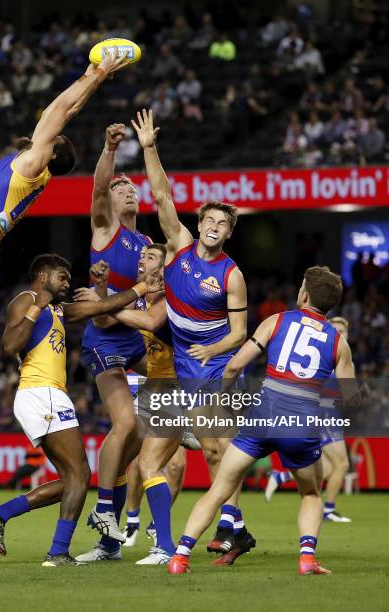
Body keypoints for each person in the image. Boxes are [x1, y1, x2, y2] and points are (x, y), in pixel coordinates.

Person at [0, 49, 128, 489]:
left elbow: (61, 109)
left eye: (49, 134)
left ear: (52, 148)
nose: (43, 126)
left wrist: (95, 74)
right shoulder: (30, 170)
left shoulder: (31, 164)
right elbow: (63, 108)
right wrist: (88, 78)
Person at [168, 266, 359, 575]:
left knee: (219, 490)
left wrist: (224, 399)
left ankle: (180, 557)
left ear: (304, 294)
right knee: (310, 493)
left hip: (263, 416)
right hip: (302, 424)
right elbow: (350, 400)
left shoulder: (277, 321)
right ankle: (307, 558)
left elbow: (233, 367)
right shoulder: (340, 343)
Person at [131, 109, 254, 561]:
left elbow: (240, 333)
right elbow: (162, 196)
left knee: (222, 448)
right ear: (199, 223)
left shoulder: (231, 275)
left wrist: (212, 348)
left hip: (217, 365)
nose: (213, 228)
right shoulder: (180, 248)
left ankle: (230, 525)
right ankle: (235, 526)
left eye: (223, 225)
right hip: (186, 366)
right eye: (209, 221)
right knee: (212, 451)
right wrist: (148, 148)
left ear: (228, 233)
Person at [0, 253, 149, 566]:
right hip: (41, 393)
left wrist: (138, 289)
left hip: (51, 396)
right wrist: (35, 306)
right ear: (43, 276)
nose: (68, 283)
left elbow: (103, 308)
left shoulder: (58, 309)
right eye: (62, 277)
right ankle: (57, 553)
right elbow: (10, 345)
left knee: (72, 479)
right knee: (81, 474)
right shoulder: (26, 299)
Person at [78, 246, 191, 564]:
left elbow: (150, 322)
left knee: (150, 465)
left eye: (151, 257)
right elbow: (101, 320)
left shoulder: (172, 301)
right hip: (153, 390)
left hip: (178, 388)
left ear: (165, 269)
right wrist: (102, 291)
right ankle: (109, 544)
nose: (142, 259)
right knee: (119, 464)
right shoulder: (136, 298)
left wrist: (104, 302)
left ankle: (166, 547)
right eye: (140, 255)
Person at [81, 122, 152, 547]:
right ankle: (105, 506)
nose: (128, 191)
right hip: (105, 339)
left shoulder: (145, 242)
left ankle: (112, 512)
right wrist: (110, 150)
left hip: (135, 339)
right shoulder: (106, 230)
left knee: (144, 429)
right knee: (125, 422)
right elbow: (96, 190)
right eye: (120, 187)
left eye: (131, 188)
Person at [265, 317, 354, 523]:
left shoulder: (344, 357)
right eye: (337, 329)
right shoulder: (324, 354)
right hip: (322, 414)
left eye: (344, 330)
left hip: (331, 414)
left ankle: (281, 476)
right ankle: (328, 510)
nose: (341, 333)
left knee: (329, 468)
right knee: (341, 465)